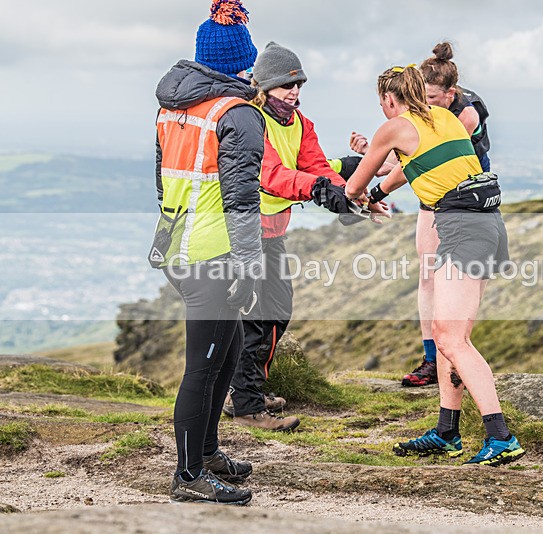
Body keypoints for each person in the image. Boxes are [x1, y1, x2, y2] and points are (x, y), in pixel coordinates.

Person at [344, 64, 524, 466]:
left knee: (452, 338)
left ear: (389, 99)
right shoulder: (443, 117)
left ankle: (501, 436)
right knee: (448, 336)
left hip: (461, 229)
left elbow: (353, 186)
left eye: (382, 103)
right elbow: (411, 169)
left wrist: (356, 196)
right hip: (488, 224)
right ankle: (447, 431)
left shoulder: (394, 127)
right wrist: (379, 191)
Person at [224, 41, 369, 431]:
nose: (295, 92)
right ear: (264, 86)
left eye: (299, 84)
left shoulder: (303, 124)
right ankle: (247, 406)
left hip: (273, 233)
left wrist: (350, 197)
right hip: (243, 235)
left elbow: (317, 166)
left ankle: (246, 390)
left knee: (277, 312)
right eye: (287, 85)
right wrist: (319, 190)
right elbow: (269, 175)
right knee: (255, 319)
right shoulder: (252, 120)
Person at [152, 0, 262, 504]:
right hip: (213, 254)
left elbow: (164, 182)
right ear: (241, 61)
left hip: (179, 246)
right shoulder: (236, 114)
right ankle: (190, 475)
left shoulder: (172, 109)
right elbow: (241, 197)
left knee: (230, 349)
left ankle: (208, 451)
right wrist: (247, 262)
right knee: (204, 365)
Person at [350, 42, 492, 388]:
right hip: (444, 202)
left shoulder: (462, 115)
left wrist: (367, 192)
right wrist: (376, 169)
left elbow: (401, 165)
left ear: (450, 94)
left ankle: (454, 358)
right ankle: (436, 360)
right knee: (428, 277)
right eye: (422, 96)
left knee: (452, 293)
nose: (426, 103)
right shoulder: (433, 114)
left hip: (462, 204)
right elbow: (407, 162)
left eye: (432, 96)